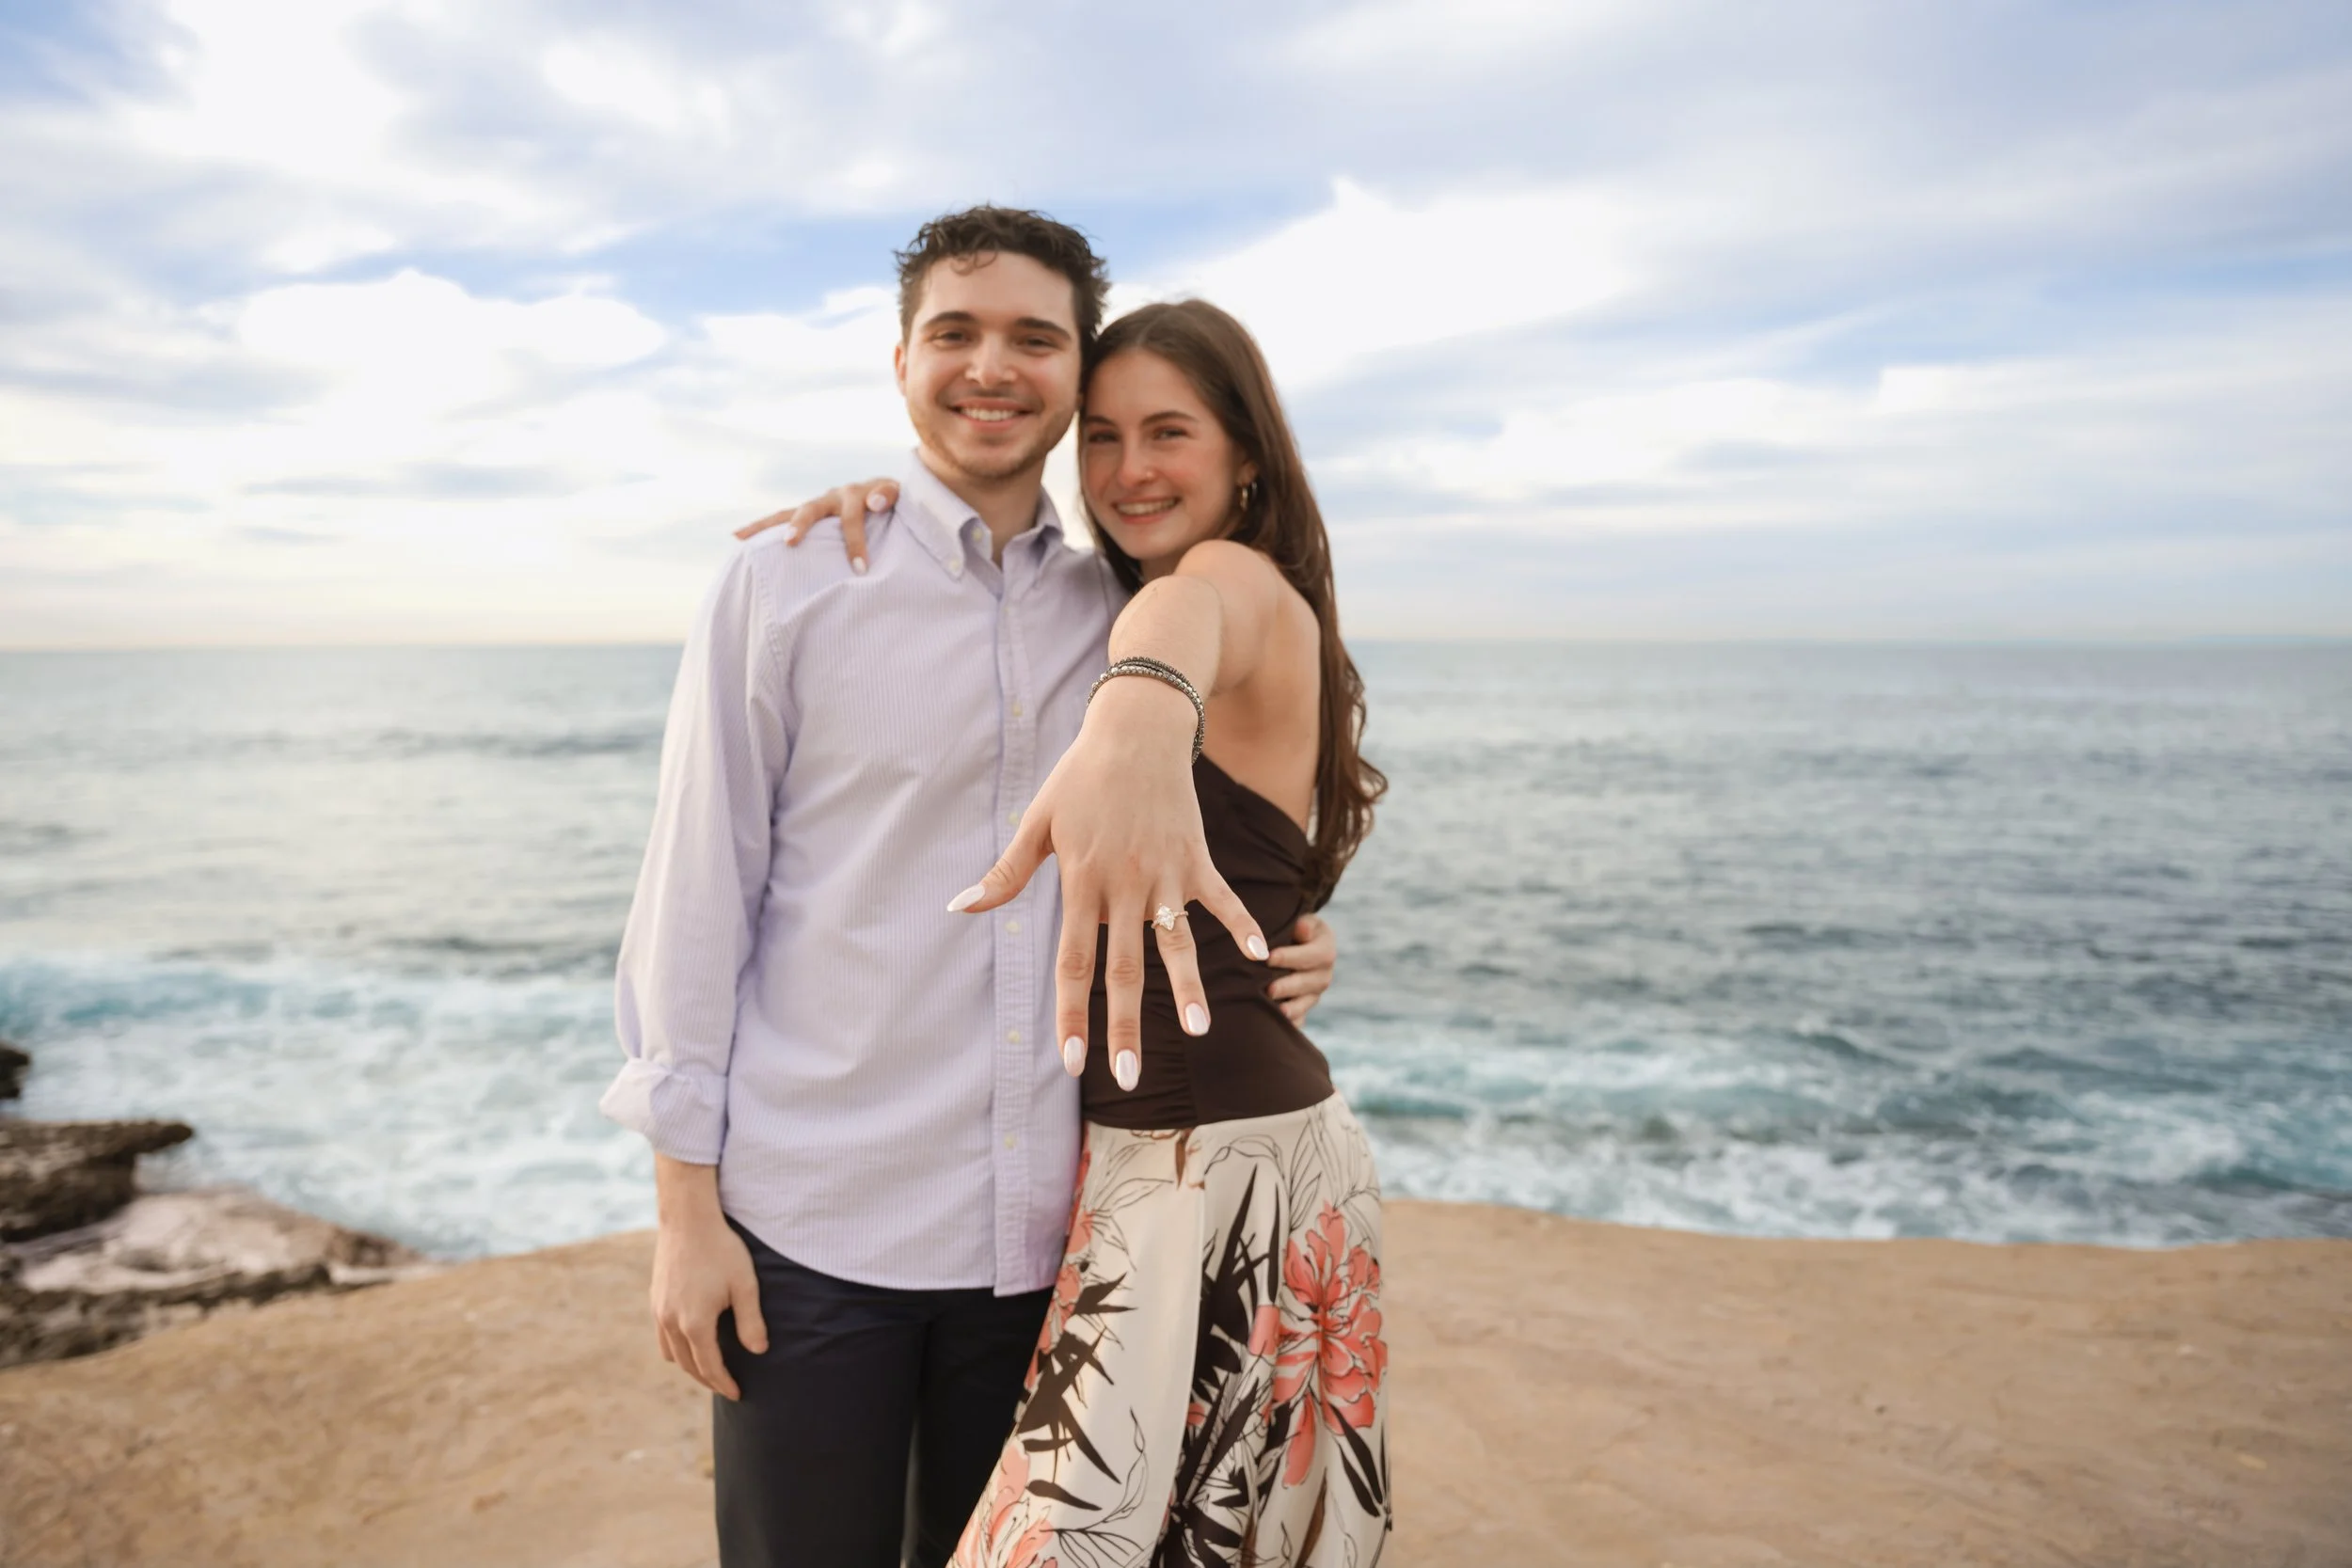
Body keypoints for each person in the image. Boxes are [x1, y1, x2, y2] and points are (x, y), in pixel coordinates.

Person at [598, 206, 1339, 1568]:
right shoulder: (786, 579)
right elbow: (695, 904)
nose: (991, 366)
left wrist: (1291, 936)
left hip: (1043, 1242)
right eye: (956, 332)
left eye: (1034, 340)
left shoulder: (1118, 606)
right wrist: (682, 1216)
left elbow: (1223, 800)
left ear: (1071, 373)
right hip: (814, 1229)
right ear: (901, 361)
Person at [760, 299, 1391, 1566]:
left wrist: (1140, 711)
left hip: (1212, 1175)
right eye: (1101, 436)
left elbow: (1179, 633)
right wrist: (893, 503)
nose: (1127, 469)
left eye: (1170, 431)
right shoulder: (1143, 590)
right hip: (1179, 1155)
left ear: (1247, 454)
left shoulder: (1219, 586)